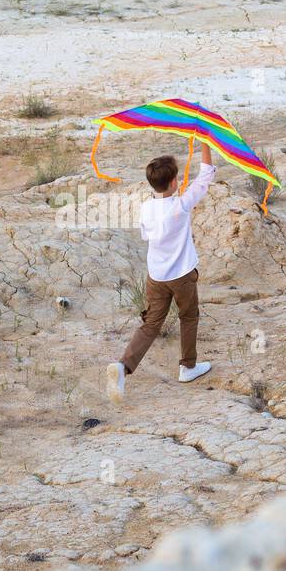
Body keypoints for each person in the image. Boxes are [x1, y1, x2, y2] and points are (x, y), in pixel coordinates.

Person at [107, 143, 214, 399]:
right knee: (188, 317)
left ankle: (123, 367)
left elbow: (146, 233)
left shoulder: (147, 208)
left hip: (156, 276)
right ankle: (188, 367)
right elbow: (207, 174)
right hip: (182, 276)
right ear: (175, 181)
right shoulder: (181, 205)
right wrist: (206, 143)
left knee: (150, 325)